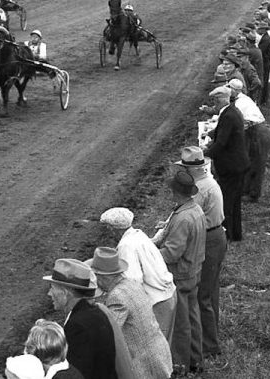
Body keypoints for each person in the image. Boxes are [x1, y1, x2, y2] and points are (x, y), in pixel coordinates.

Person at [152, 168, 207, 375]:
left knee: (181, 324)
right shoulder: (195, 210)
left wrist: (150, 254)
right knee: (194, 318)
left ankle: (181, 366)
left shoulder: (183, 218)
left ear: (176, 193)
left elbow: (172, 253)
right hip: (194, 271)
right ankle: (196, 360)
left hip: (181, 275)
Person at [87, 247, 172, 379]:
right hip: (159, 353)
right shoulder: (132, 284)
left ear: (103, 277)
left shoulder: (117, 296)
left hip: (145, 364)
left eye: (96, 276)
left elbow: (108, 332)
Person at [175, 147, 226, 362]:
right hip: (216, 235)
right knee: (210, 291)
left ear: (190, 169)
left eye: (184, 168)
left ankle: (208, 345)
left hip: (210, 239)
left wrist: (175, 226)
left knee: (202, 295)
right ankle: (210, 339)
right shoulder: (208, 182)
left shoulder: (200, 190)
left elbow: (192, 220)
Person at [99, 207, 176, 342]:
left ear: (113, 228)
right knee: (164, 344)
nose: (106, 232)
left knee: (155, 346)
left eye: (106, 228)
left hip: (157, 300)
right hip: (168, 294)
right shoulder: (138, 234)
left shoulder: (126, 246)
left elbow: (133, 281)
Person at [43, 258, 118, 379]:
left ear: (65, 293)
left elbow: (77, 374)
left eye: (52, 288)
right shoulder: (96, 313)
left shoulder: (77, 326)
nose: (49, 293)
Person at [204, 85, 249, 242]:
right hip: (237, 164)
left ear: (222, 100)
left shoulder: (229, 115)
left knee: (227, 202)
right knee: (234, 202)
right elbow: (221, 133)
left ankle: (226, 235)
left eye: (215, 100)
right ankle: (235, 234)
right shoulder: (231, 111)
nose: (214, 103)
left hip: (231, 166)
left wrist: (205, 154)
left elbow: (221, 142)